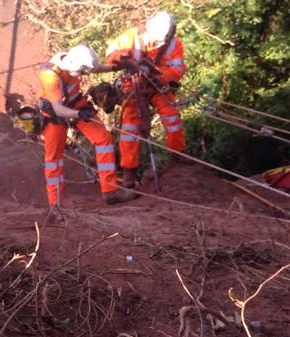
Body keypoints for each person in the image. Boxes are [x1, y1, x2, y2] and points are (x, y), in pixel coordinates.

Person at [38, 45, 137, 210]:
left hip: (77, 105)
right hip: (55, 115)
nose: (84, 76)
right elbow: (58, 109)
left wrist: (115, 67)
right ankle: (55, 205)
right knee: (53, 159)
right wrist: (79, 115)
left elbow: (94, 68)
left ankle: (110, 192)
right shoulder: (50, 76)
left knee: (103, 138)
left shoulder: (74, 58)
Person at [104, 11, 187, 188]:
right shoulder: (132, 37)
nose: (153, 43)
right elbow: (109, 53)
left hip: (158, 85)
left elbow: (178, 69)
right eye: (152, 40)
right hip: (132, 84)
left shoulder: (174, 44)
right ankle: (129, 173)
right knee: (129, 127)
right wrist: (122, 57)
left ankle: (177, 156)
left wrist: (159, 74)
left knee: (172, 116)